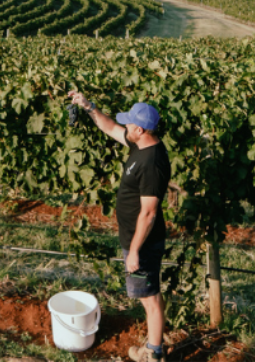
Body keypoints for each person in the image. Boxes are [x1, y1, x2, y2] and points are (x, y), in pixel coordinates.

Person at [68, 91, 170, 362]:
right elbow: (110, 127)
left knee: (148, 299)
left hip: (143, 242)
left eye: (129, 124)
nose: (124, 127)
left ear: (140, 129)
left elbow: (148, 213)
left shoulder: (152, 163)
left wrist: (135, 251)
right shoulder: (141, 143)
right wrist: (89, 106)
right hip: (136, 238)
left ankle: (154, 355)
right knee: (153, 296)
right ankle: (154, 346)